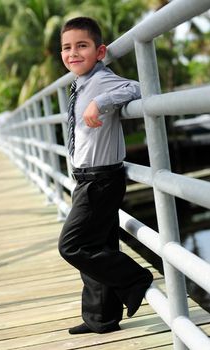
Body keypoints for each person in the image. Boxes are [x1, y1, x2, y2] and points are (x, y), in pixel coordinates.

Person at [58, 16, 153, 335]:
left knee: (73, 245)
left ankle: (135, 278)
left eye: (81, 46)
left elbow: (137, 88)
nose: (73, 53)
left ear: (99, 52)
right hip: (85, 177)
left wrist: (100, 102)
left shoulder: (101, 81)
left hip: (100, 179)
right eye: (66, 48)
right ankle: (101, 317)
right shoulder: (80, 83)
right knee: (98, 246)